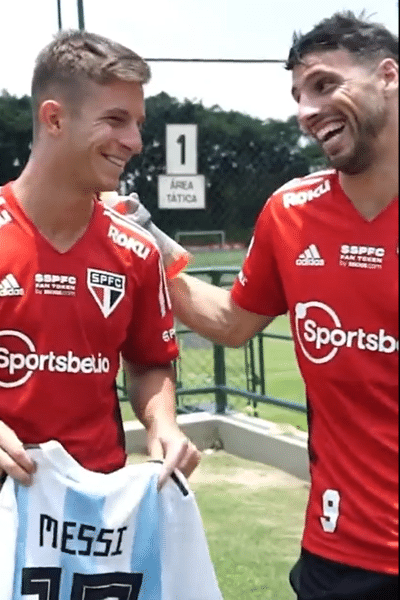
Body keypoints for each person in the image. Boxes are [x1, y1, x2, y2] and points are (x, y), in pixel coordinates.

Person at [126, 11, 398, 600]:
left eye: (324, 84)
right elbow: (230, 322)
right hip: (340, 547)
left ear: (388, 76)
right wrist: (145, 240)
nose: (307, 110)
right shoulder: (291, 212)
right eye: (299, 96)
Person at [0, 30, 200, 599]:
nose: (135, 140)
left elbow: (151, 363)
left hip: (99, 535)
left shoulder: (136, 253)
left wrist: (163, 424)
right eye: (116, 120)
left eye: (138, 122)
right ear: (54, 118)